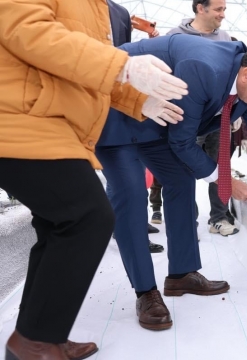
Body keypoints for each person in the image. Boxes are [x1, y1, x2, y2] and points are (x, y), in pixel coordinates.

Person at [0, 0, 187, 358]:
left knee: (58, 225)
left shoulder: (98, 6)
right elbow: (29, 33)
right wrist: (124, 65)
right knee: (88, 216)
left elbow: (85, 64)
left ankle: (40, 332)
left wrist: (135, 100)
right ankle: (34, 341)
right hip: (19, 117)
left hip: (51, 120)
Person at [98, 34, 247, 331]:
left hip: (156, 123)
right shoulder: (204, 68)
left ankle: (182, 274)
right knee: (131, 193)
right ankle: (146, 292)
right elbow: (183, 141)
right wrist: (225, 179)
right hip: (117, 115)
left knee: (181, 180)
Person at [165, 0, 241, 236]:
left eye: (224, 9)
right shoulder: (176, 35)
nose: (223, 15)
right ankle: (188, 221)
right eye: (219, 9)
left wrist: (236, 111)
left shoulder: (225, 38)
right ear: (200, 8)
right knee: (185, 167)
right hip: (185, 118)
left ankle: (218, 218)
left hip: (218, 118)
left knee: (221, 166)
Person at [103, 0, 166, 254]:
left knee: (132, 167)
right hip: (90, 99)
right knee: (118, 172)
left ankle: (134, 224)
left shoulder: (119, 13)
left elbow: (124, 55)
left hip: (120, 100)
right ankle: (122, 226)